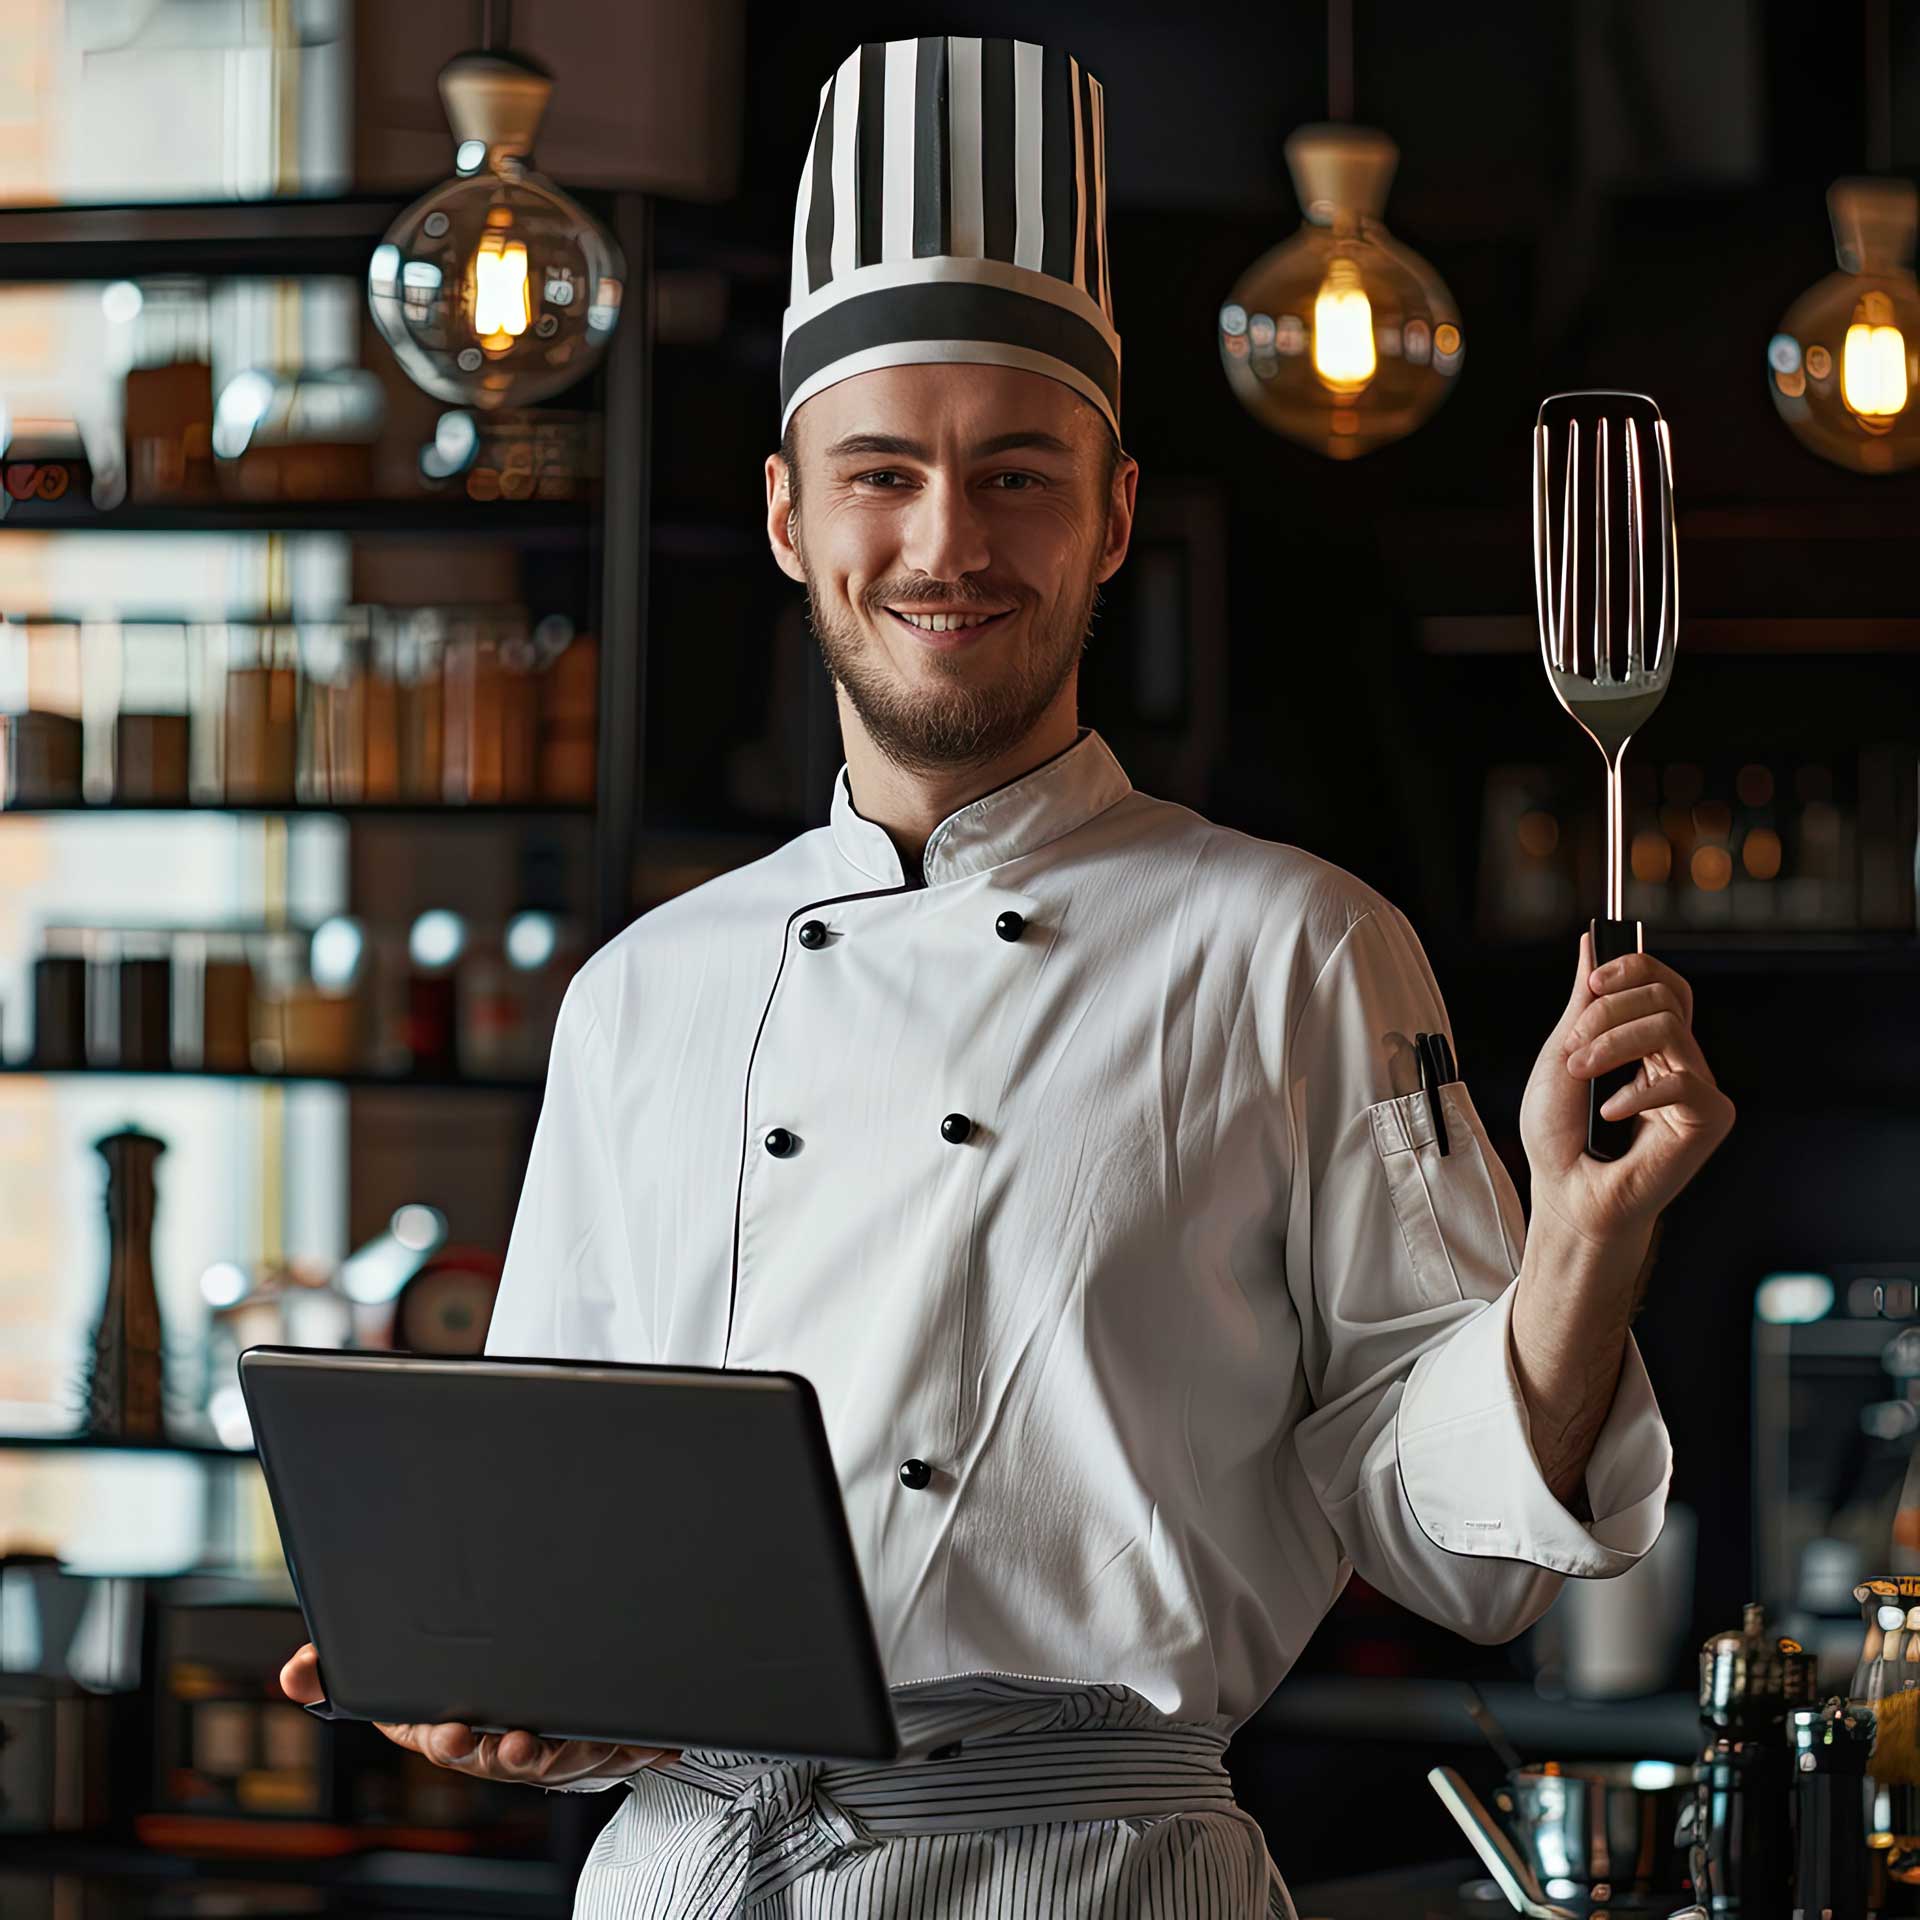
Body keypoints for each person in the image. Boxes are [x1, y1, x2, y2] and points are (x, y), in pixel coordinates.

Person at [282, 35, 1733, 1917]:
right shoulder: (646, 988)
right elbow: (589, 1517)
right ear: (797, 519)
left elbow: (1459, 1542)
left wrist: (1583, 1243)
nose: (948, 543)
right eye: (882, 474)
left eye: (1016, 476)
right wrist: (518, 1693)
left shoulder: (1290, 946)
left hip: (1096, 1869)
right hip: (690, 1873)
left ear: (1111, 517)